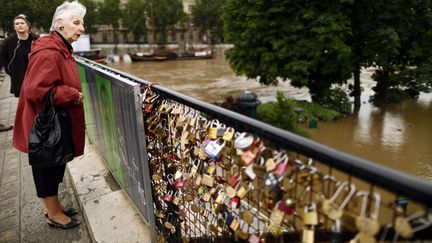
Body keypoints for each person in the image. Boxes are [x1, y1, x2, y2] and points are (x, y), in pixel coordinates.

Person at [12, 1, 86, 229]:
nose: (82, 28)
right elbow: (36, 89)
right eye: (76, 22)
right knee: (47, 164)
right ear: (60, 25)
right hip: (44, 124)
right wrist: (71, 93)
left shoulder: (59, 47)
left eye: (82, 23)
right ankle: (53, 213)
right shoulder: (49, 51)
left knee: (56, 162)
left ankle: (54, 205)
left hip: (53, 120)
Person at [0, 14, 38, 97]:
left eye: (22, 23)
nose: (19, 25)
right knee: (24, 102)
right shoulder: (9, 41)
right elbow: (3, 56)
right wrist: (9, 71)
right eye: (16, 24)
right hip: (19, 78)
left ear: (27, 26)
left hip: (35, 76)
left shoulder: (35, 39)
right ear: (14, 27)